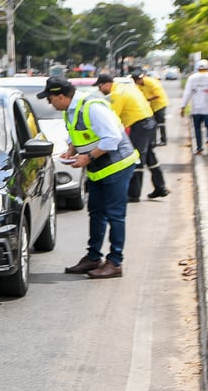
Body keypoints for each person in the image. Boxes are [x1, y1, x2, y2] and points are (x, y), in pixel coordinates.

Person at [37, 75, 138, 279]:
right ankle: (93, 258)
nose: (49, 102)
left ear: (62, 96)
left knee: (115, 215)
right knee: (96, 212)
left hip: (117, 166)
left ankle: (115, 262)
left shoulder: (92, 107)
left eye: (50, 98)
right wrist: (71, 150)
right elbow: (79, 134)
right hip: (98, 168)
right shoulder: (70, 110)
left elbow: (112, 138)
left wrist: (88, 157)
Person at [94, 73, 168, 201]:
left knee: (136, 157)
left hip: (140, 124)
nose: (99, 90)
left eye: (100, 86)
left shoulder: (116, 94)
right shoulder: (126, 87)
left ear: (107, 84)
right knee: (150, 158)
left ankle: (134, 194)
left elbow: (112, 118)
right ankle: (160, 187)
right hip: (148, 121)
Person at [181, 59, 208, 156]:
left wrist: (183, 106)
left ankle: (199, 149)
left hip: (196, 109)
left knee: (197, 129)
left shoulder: (192, 78)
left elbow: (187, 93)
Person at [130, 67, 169, 146]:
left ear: (140, 78)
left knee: (160, 123)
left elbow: (157, 95)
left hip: (160, 104)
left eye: (136, 80)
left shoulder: (151, 82)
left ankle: (163, 140)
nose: (136, 83)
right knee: (152, 124)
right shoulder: (138, 85)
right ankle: (152, 141)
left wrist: (146, 99)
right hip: (151, 106)